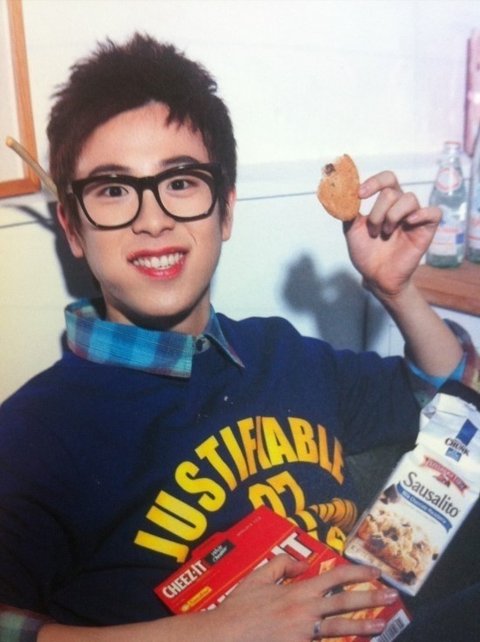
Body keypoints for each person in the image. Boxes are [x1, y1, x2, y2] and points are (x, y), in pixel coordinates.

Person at [0, 33, 478, 642]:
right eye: (114, 190)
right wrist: (210, 633)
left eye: (181, 182)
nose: (153, 220)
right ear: (73, 227)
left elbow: (456, 403)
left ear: (225, 209)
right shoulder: (38, 430)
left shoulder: (283, 354)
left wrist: (397, 290)